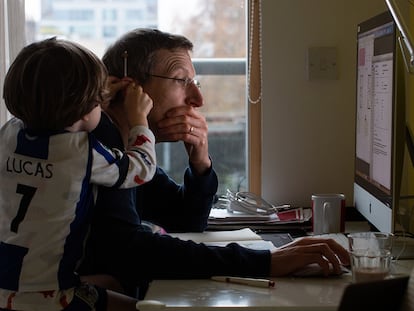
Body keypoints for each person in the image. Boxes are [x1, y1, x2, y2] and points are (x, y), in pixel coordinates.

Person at [78, 28, 350, 299]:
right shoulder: (101, 145)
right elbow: (131, 249)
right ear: (131, 88)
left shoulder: (128, 145)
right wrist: (266, 261)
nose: (198, 99)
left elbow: (185, 221)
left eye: (195, 82)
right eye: (181, 80)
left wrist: (200, 161)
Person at [0, 37, 157, 310]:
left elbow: (49, 103)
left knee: (108, 282)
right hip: (52, 298)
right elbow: (141, 168)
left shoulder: (9, 134)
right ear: (85, 111)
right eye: (97, 101)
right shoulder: (83, 152)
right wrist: (139, 121)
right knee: (138, 306)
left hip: (5, 288)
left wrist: (87, 99)